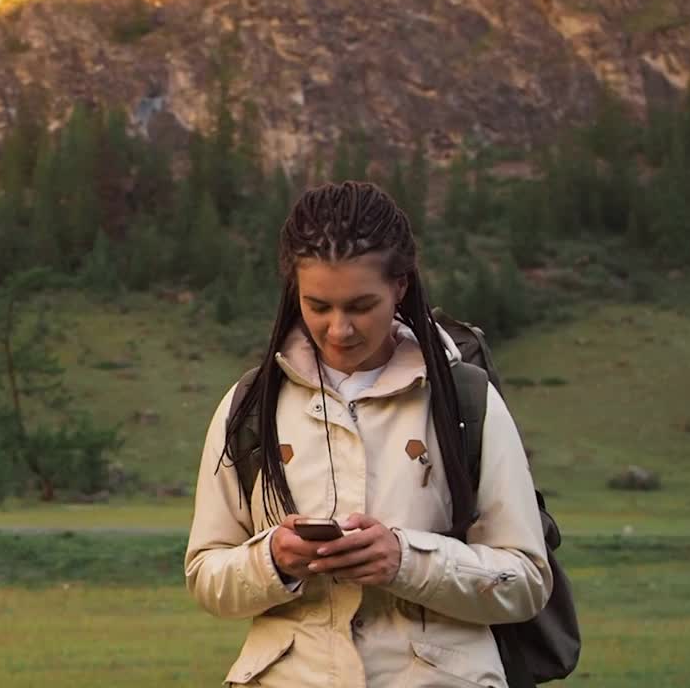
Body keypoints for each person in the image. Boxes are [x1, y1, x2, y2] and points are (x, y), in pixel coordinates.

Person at [184, 181, 552, 687]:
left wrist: (405, 560)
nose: (339, 330)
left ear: (400, 285)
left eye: (360, 306)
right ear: (295, 291)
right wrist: (275, 558)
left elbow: (527, 582)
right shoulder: (249, 405)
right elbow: (206, 576)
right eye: (319, 306)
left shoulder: (465, 400)